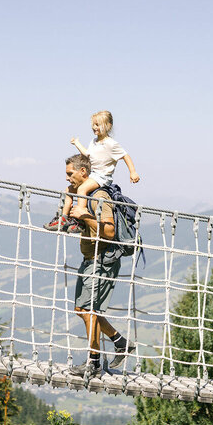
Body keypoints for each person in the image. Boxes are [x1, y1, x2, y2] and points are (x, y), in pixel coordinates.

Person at [63, 153, 135, 376]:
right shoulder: (85, 197)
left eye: (70, 174)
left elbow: (109, 231)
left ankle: (93, 363)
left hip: (102, 260)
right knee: (81, 310)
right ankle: (120, 342)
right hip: (90, 260)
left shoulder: (99, 196)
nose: (67, 178)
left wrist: (85, 216)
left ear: (83, 172)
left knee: (88, 311)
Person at [44, 110, 139, 233]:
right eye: (93, 125)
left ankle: (80, 221)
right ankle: (63, 218)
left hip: (102, 177)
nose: (94, 127)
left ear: (108, 126)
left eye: (97, 125)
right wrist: (77, 143)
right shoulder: (94, 142)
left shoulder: (111, 144)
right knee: (68, 190)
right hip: (93, 174)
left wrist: (133, 172)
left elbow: (125, 156)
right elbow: (87, 154)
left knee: (81, 189)